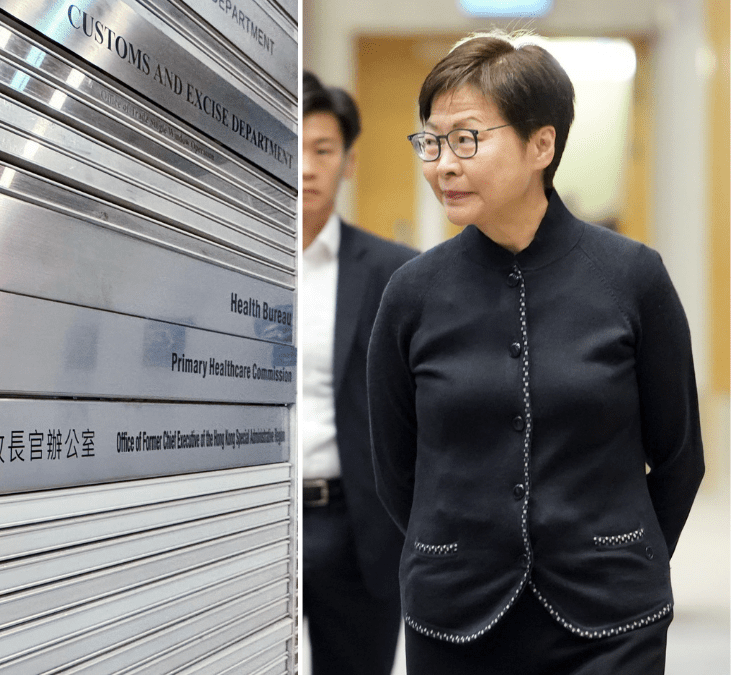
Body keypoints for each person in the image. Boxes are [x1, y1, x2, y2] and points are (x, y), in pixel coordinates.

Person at [367, 32, 704, 675]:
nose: (443, 164)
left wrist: (625, 559)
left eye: (467, 139)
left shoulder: (632, 277)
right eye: (431, 142)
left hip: (611, 623)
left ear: (541, 145)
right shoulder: (411, 294)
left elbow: (679, 457)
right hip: (456, 619)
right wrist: (456, 552)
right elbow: (394, 468)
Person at [301, 71, 416, 675]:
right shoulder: (227, 263)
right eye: (291, 147)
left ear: (348, 162)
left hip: (353, 526)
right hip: (248, 521)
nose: (306, 168)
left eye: (322, 150)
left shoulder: (395, 274)